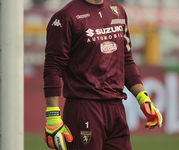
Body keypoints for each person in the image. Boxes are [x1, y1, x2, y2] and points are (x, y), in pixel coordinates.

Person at [43, 0, 163, 150]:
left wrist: (143, 98)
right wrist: (52, 115)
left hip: (117, 109)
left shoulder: (118, 11)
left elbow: (126, 59)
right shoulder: (65, 17)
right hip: (84, 109)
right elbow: (53, 68)